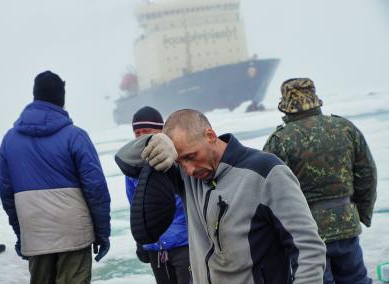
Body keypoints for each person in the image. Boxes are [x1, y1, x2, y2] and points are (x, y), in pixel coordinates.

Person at [115, 109, 326, 284]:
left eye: (191, 156)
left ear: (210, 135)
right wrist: (153, 141)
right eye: (180, 162)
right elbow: (126, 161)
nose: (189, 170)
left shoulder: (266, 173)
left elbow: (308, 247)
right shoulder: (186, 178)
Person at [0, 71, 111, 284]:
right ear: (61, 98)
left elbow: (6, 194)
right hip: (74, 234)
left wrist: (21, 233)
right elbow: (95, 189)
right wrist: (102, 232)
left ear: (35, 96)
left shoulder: (9, 140)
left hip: (36, 233)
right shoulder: (75, 136)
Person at [263, 78, 377, 284]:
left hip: (305, 232)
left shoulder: (279, 141)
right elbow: (367, 175)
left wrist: (276, 234)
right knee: (356, 280)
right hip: (346, 224)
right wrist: (360, 214)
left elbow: (268, 191)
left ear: (286, 105)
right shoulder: (345, 128)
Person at [126, 106, 191, 284]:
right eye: (137, 132)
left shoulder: (179, 160)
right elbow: (135, 205)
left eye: (147, 131)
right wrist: (140, 241)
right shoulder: (133, 168)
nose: (141, 137)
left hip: (184, 243)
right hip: (155, 247)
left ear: (161, 131)